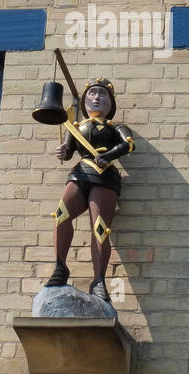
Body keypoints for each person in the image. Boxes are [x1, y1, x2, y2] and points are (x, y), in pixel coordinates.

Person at [46, 77, 135, 301]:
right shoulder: (75, 127)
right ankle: (60, 267)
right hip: (81, 171)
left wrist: (107, 156)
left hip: (105, 174)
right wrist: (63, 151)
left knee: (99, 227)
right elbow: (68, 150)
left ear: (110, 102)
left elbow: (128, 144)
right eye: (92, 94)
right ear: (85, 101)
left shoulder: (115, 127)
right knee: (61, 214)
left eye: (102, 94)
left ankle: (98, 280)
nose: (96, 98)